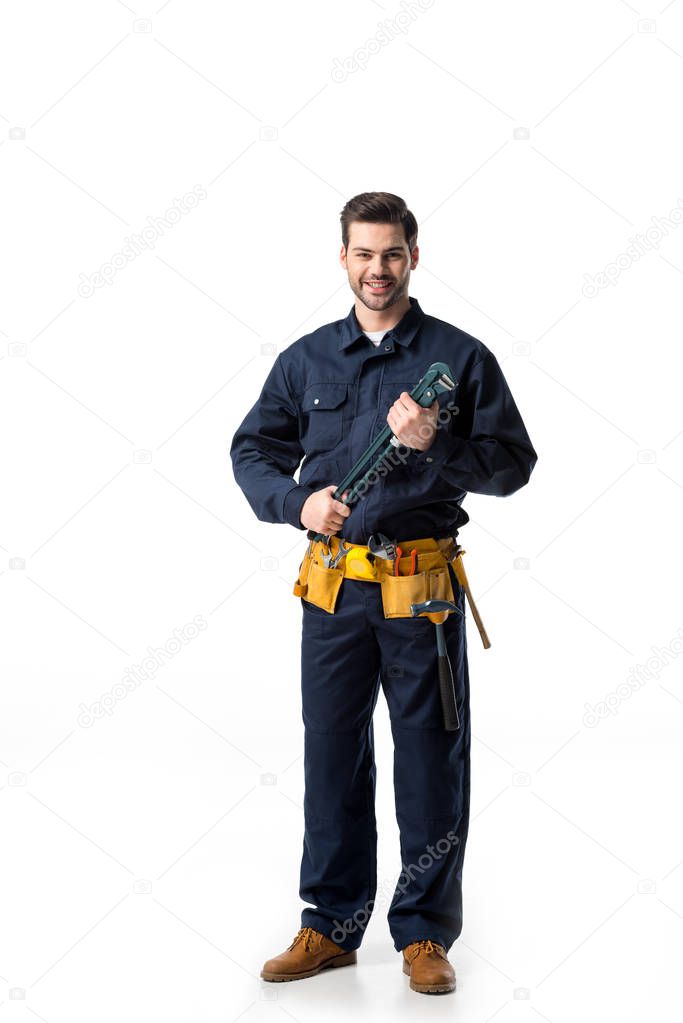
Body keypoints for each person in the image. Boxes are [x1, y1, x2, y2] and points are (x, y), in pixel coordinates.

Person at [230, 191, 537, 995]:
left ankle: (424, 934)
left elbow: (512, 464)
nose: (378, 268)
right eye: (363, 254)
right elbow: (252, 449)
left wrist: (437, 444)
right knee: (331, 755)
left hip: (422, 591)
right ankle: (330, 927)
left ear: (413, 255)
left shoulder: (459, 358)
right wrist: (295, 502)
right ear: (342, 258)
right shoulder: (304, 360)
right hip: (331, 590)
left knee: (431, 760)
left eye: (392, 253)